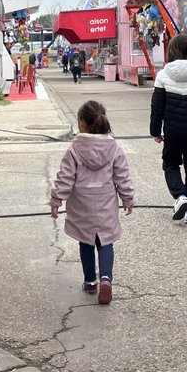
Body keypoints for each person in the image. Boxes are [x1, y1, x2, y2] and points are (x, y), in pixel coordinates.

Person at [49, 101, 134, 306]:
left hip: (82, 204)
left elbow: (65, 177)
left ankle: (90, 281)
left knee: (86, 241)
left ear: (81, 123)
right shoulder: (113, 148)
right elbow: (122, 176)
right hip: (105, 202)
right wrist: (127, 198)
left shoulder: (74, 149)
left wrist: (56, 199)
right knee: (106, 242)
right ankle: (106, 278)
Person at [150, 34, 187, 224]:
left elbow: (157, 106)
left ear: (170, 51)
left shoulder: (163, 75)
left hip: (172, 132)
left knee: (170, 164)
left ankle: (180, 196)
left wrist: (155, 131)